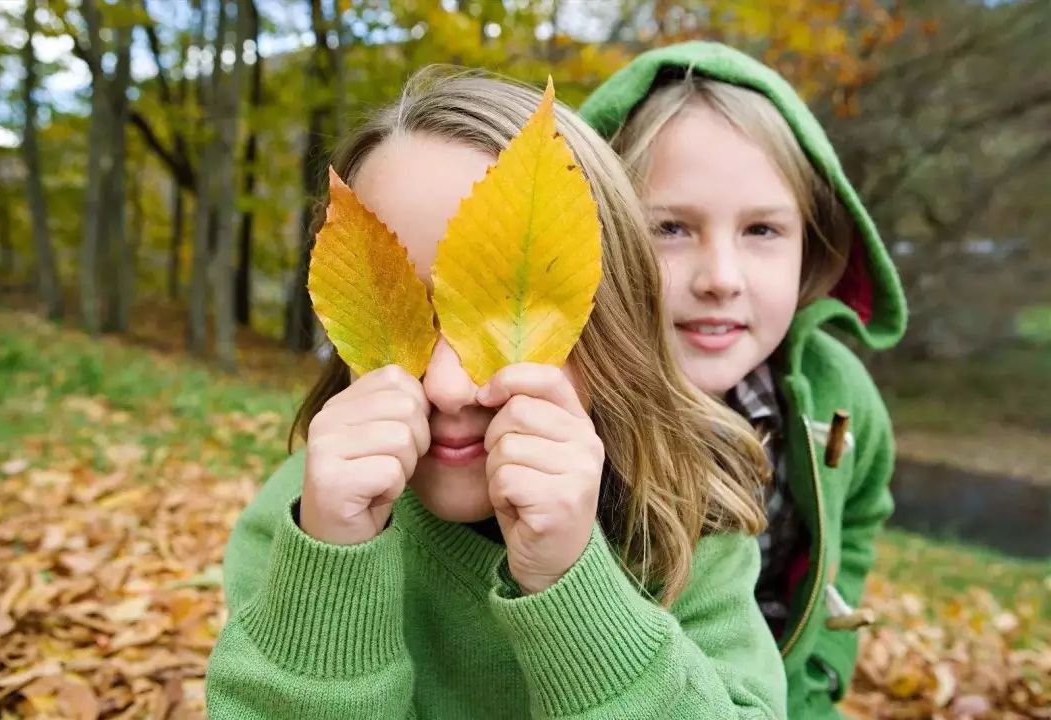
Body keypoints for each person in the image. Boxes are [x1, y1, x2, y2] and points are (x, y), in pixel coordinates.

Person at [205, 68, 787, 719]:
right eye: (408, 317)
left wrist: (573, 590)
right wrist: (331, 575)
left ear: (616, 326)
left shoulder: (688, 524)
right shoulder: (300, 524)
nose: (451, 388)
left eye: (503, 319)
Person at [579, 42, 908, 719]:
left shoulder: (840, 397)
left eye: (762, 230)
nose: (720, 277)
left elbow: (855, 531)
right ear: (595, 233)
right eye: (670, 228)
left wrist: (814, 687)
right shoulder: (562, 402)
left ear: (813, 247)